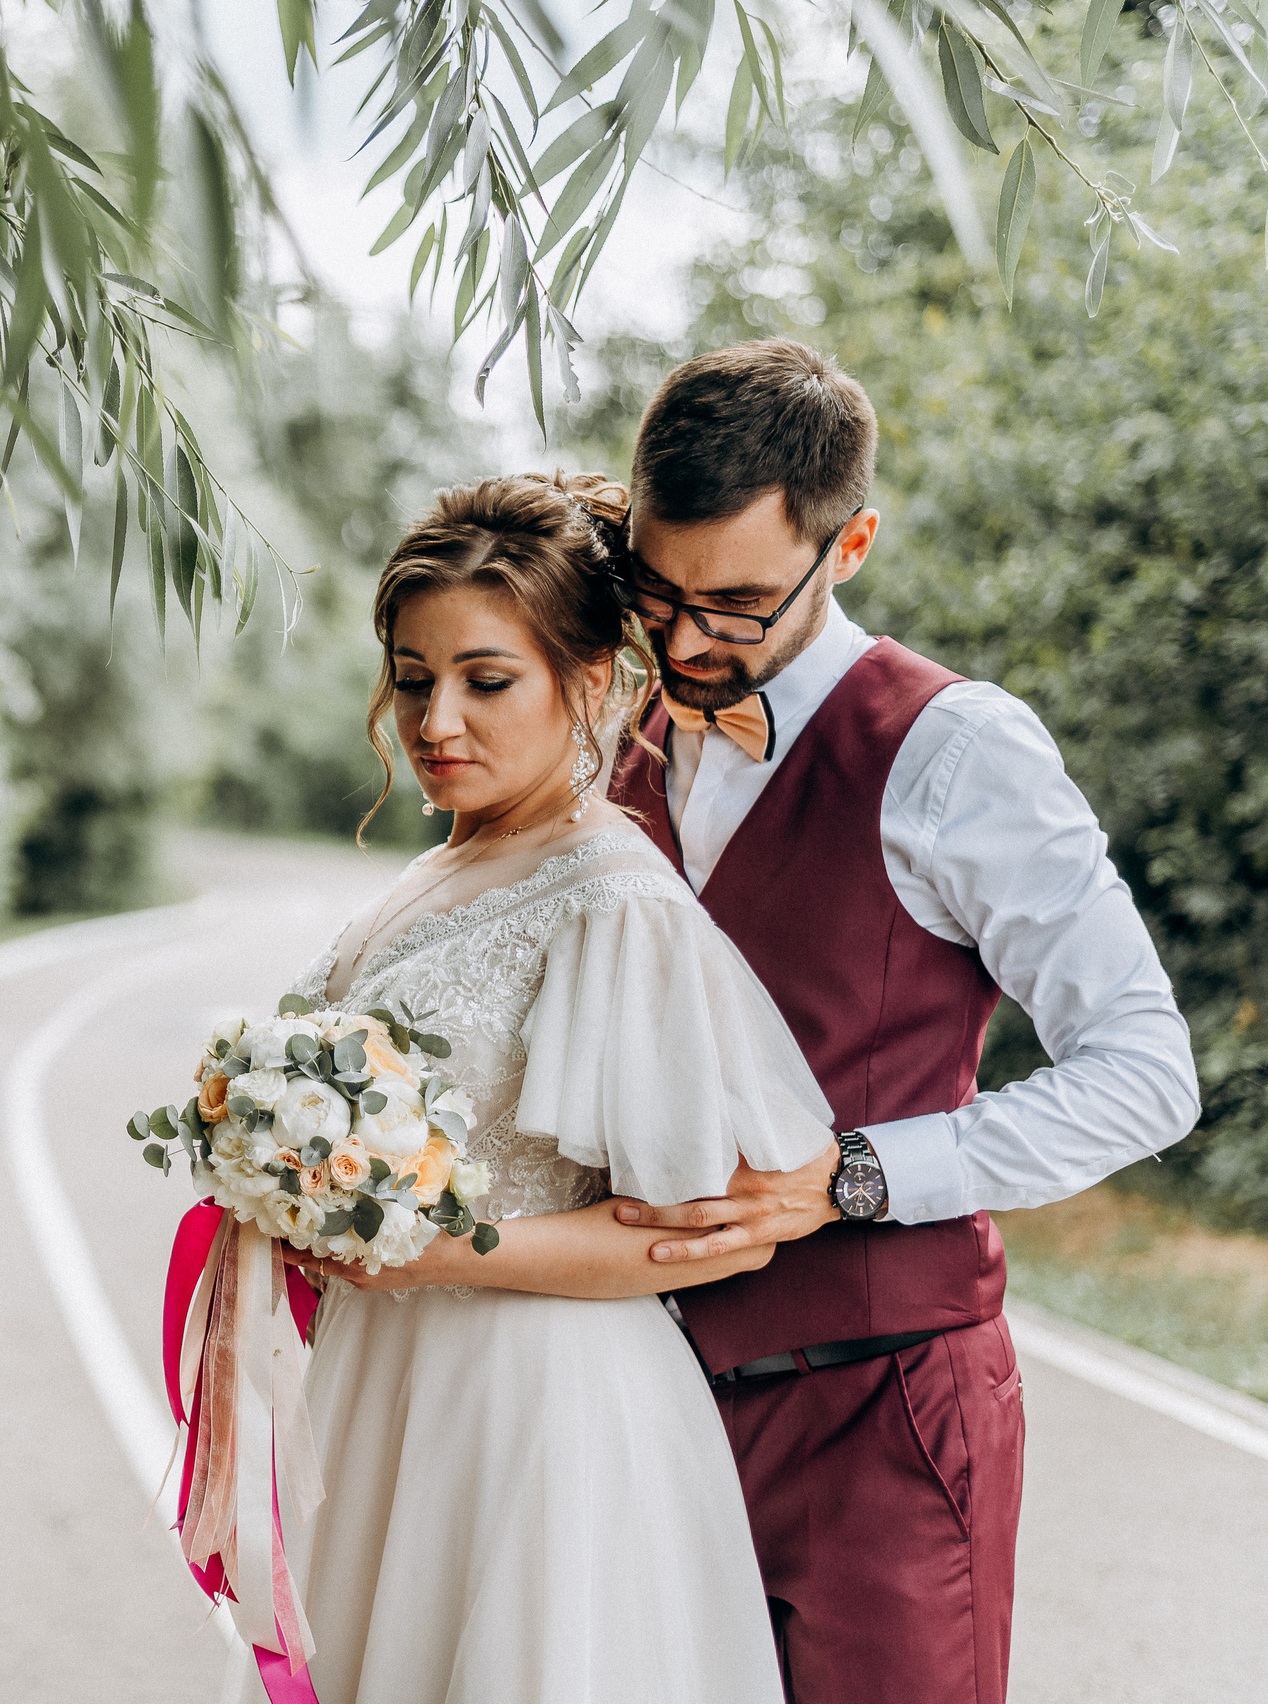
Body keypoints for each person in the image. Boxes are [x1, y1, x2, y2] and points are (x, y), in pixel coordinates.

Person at [575, 339, 1198, 1704]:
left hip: (884, 1412)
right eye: (655, 592)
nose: (684, 643)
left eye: (736, 603)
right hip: (643, 1407)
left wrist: (854, 1174)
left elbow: (1148, 1074)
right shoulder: (623, 743)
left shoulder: (957, 751)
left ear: (848, 542)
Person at [246, 471, 843, 1704]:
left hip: (536, 1408)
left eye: (484, 679)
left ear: (585, 681)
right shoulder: (444, 864)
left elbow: (698, 1240)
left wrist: (429, 1249)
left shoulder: (611, 901)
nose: (435, 717)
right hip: (387, 1384)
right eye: (413, 680)